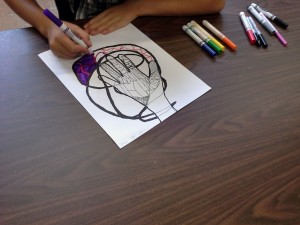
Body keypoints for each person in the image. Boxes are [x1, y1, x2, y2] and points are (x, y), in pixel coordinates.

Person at [4, 0, 226, 59]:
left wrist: (139, 5)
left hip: (153, 32)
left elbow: (213, 2)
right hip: (75, 26)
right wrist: (47, 25)